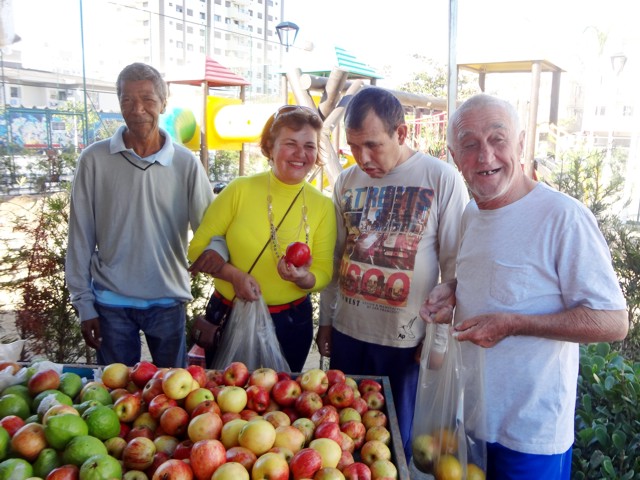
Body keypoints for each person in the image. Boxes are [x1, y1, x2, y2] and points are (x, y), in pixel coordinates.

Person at [421, 93, 628, 479]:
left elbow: (614, 322)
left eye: (498, 139)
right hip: (471, 423)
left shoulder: (563, 217)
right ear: (453, 155)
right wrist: (452, 288)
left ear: (520, 144)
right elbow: (488, 274)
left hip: (530, 434)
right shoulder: (471, 212)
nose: (485, 156)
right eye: (470, 145)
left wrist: (513, 323)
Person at [317, 87, 469, 458]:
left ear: (400, 134)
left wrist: (438, 341)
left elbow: (454, 270)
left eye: (372, 145)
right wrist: (325, 322)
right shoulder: (346, 182)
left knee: (393, 444)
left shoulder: (441, 179)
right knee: (342, 442)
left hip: (406, 342)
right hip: (348, 333)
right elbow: (337, 259)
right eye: (353, 146)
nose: (362, 157)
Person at [65, 62, 214, 368]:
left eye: (147, 99)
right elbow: (80, 235)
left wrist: (222, 269)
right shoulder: (94, 160)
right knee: (116, 394)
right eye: (127, 100)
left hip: (168, 300)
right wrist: (84, 304)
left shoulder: (186, 164)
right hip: (110, 302)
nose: (137, 109)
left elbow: (210, 229)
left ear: (163, 102)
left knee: (174, 395)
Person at [188, 105, 337, 372]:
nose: (300, 154)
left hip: (291, 323)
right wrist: (234, 276)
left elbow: (324, 270)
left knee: (281, 407)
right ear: (270, 146)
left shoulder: (323, 206)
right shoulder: (239, 190)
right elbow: (197, 250)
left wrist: (304, 278)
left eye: (309, 146)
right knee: (225, 401)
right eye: (290, 143)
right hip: (230, 313)